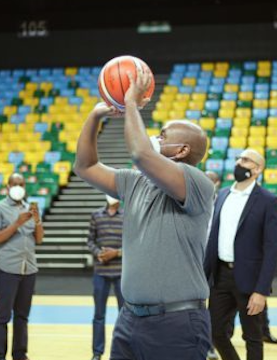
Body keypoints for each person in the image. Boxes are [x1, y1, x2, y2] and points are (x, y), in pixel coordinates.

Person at [74, 66, 214, 359]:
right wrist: (95, 116)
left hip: (177, 323)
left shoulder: (196, 182)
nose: (155, 138)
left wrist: (131, 104)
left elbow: (140, 153)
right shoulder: (136, 182)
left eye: (162, 136)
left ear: (182, 151)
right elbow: (85, 167)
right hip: (130, 319)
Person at [204, 149, 277, 360]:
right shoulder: (222, 195)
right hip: (220, 276)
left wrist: (262, 290)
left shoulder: (268, 201)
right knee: (215, 331)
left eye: (246, 160)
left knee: (253, 337)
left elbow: (272, 249)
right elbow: (213, 237)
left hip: (250, 280)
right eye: (239, 158)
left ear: (257, 169)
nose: (239, 162)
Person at [0, 173, 44, 360]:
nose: (18, 187)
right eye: (15, 184)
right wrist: (17, 223)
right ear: (8, 186)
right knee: (3, 315)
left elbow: (39, 239)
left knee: (22, 316)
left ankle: (20, 353)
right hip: (7, 269)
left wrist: (37, 221)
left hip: (29, 269)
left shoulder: (31, 208)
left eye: (21, 184)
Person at [87, 194, 125, 360]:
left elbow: (133, 243)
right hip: (101, 272)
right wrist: (98, 253)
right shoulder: (96, 215)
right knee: (99, 315)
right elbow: (90, 240)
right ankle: (97, 352)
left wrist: (116, 253)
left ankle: (122, 351)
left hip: (122, 273)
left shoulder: (127, 216)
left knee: (124, 315)